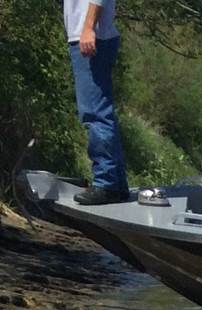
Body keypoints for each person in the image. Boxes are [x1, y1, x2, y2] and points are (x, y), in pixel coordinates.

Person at [65, 0, 127, 205]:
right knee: (101, 111)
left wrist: (88, 27)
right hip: (92, 35)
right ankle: (117, 184)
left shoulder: (89, 31)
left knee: (95, 112)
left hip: (91, 37)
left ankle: (106, 183)